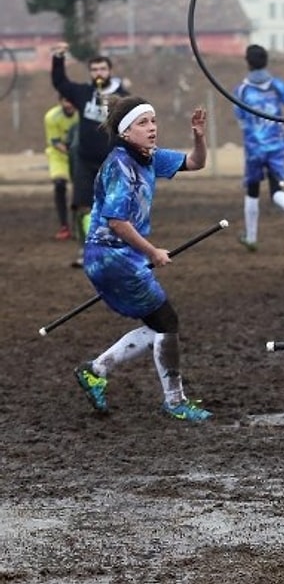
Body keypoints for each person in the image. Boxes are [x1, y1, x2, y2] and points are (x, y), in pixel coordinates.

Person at [72, 96, 212, 421]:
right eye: (143, 123)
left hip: (121, 257)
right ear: (125, 132)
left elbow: (196, 162)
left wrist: (199, 137)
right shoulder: (119, 165)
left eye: (153, 121)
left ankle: (96, 370)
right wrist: (153, 252)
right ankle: (174, 402)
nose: (152, 128)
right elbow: (117, 222)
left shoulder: (150, 157)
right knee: (167, 322)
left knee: (158, 325)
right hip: (110, 256)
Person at [51, 42, 130, 267]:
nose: (98, 73)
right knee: (83, 207)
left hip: (112, 162)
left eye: (102, 69)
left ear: (110, 71)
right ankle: (86, 249)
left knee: (114, 209)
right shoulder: (83, 93)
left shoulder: (122, 96)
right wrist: (58, 58)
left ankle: (116, 251)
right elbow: (60, 83)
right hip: (85, 161)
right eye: (94, 70)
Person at [233, 44, 284, 252]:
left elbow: (240, 119)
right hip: (277, 145)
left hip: (254, 148)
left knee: (252, 190)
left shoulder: (242, 90)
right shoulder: (277, 85)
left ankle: (251, 238)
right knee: (276, 189)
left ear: (247, 63)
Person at [43, 95, 79, 241]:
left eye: (71, 100)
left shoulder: (82, 114)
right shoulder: (51, 117)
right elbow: (55, 142)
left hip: (78, 156)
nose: (69, 104)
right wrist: (71, 152)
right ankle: (64, 226)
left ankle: (78, 227)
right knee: (59, 185)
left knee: (80, 189)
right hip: (59, 156)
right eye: (66, 101)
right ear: (60, 102)